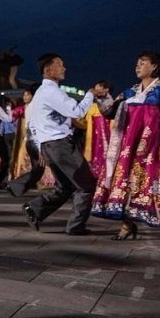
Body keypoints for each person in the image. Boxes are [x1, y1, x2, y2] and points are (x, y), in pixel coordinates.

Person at [92, 51, 160, 240]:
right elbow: (109, 112)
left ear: (154, 66)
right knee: (128, 183)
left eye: (143, 62)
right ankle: (128, 225)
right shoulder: (130, 92)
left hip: (155, 147)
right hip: (130, 147)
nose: (137, 66)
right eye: (137, 63)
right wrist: (102, 97)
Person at [22, 53, 103, 235]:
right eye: (60, 65)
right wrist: (89, 95)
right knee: (87, 185)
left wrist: (41, 146)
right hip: (61, 145)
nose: (64, 68)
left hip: (49, 145)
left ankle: (34, 209)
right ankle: (76, 226)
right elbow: (76, 111)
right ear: (48, 70)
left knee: (65, 186)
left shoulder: (40, 94)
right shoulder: (52, 91)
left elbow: (33, 124)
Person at [7, 83, 54, 196]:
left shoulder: (29, 106)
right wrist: (40, 147)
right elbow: (36, 127)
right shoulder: (36, 106)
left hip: (30, 141)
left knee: (38, 169)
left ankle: (17, 187)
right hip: (36, 141)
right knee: (45, 166)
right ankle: (16, 185)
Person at [72, 80, 112, 179]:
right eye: (95, 89)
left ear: (106, 89)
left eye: (99, 88)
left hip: (108, 139)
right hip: (93, 140)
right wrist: (73, 119)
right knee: (93, 160)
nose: (96, 91)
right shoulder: (91, 106)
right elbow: (84, 124)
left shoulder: (112, 105)